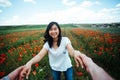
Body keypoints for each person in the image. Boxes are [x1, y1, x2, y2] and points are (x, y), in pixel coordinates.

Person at [19, 21, 84, 80]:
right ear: (48, 31)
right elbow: (39, 56)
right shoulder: (47, 44)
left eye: (55, 29)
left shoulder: (65, 40)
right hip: (55, 68)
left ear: (59, 30)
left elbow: (71, 51)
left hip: (66, 66)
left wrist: (75, 53)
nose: (53, 31)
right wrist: (29, 62)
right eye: (51, 29)